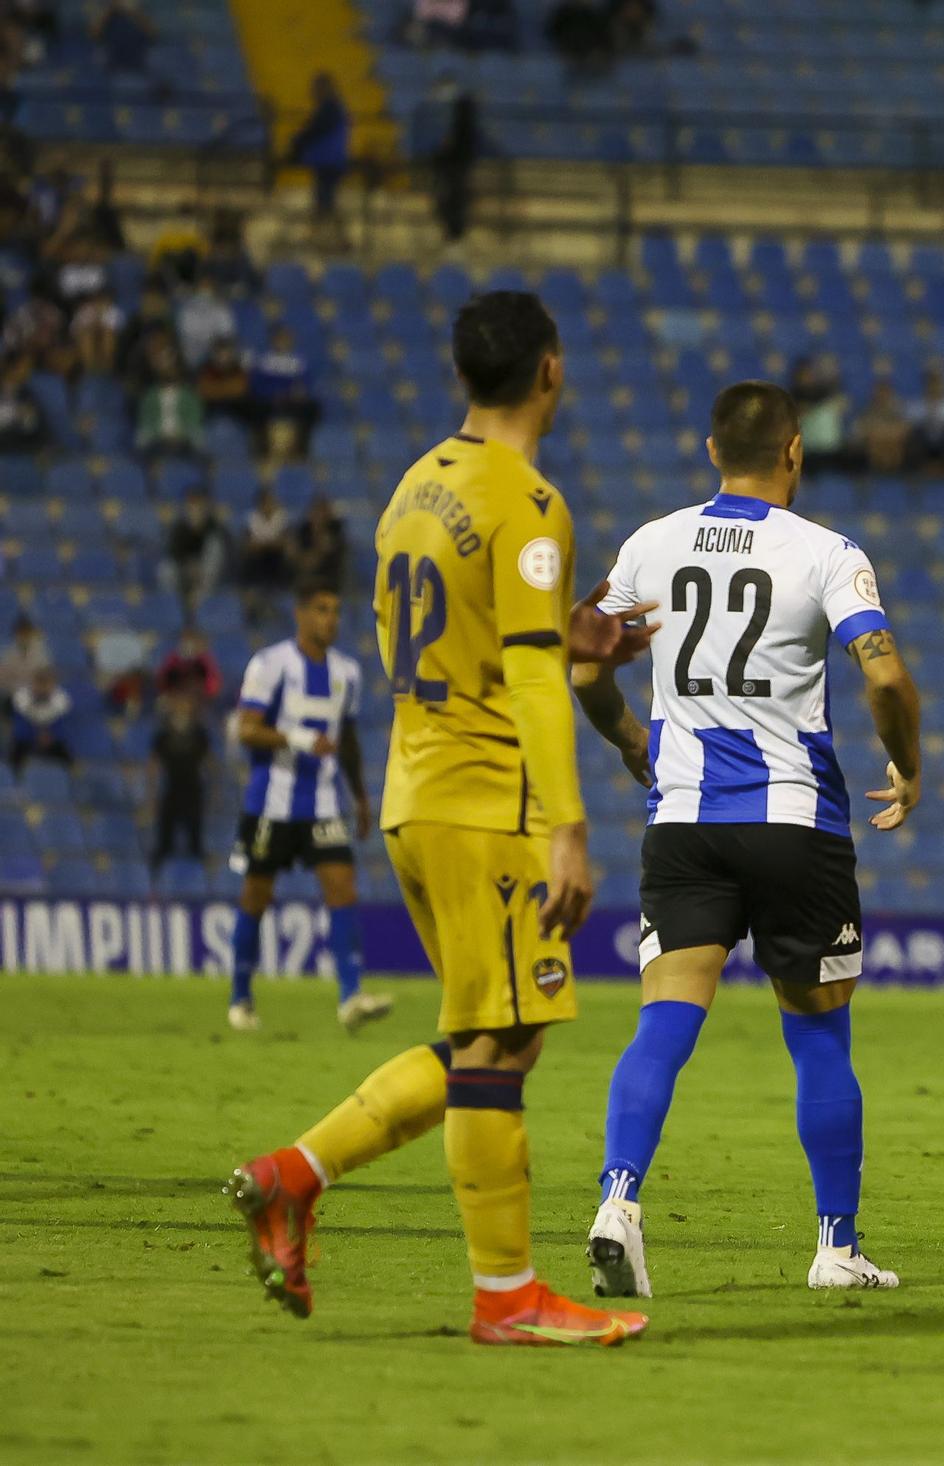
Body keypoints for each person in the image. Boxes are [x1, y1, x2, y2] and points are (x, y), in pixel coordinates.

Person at [226, 291, 657, 1345]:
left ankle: (294, 1174)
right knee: (502, 1048)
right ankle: (507, 1295)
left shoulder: (412, 486)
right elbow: (524, 675)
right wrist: (566, 823)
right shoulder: (529, 500)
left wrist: (564, 638)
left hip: (415, 796)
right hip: (488, 803)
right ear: (549, 372)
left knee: (482, 1035)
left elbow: (455, 634)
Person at [572, 380, 923, 1299]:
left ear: (710, 449)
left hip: (683, 821)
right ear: (796, 452)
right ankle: (837, 1246)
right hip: (792, 824)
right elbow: (883, 674)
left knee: (664, 1021)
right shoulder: (827, 553)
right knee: (819, 1039)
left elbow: (582, 659)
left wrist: (625, 736)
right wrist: (907, 762)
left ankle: (618, 1201)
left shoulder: (651, 545)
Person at [222, 582, 383, 1034]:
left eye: (334, 610)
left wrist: (361, 796)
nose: (329, 619)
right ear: (300, 614)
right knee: (256, 896)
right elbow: (246, 729)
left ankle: (351, 996)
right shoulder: (270, 665)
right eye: (320, 610)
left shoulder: (347, 673)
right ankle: (240, 997)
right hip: (270, 803)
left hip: (326, 802)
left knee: (343, 889)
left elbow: (346, 741)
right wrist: (296, 738)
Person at [148, 688, 211, 874]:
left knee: (196, 841)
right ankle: (156, 882)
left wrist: (215, 793)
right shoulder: (164, 734)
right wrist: (151, 795)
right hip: (172, 790)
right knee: (164, 843)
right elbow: (153, 766)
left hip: (194, 790)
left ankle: (200, 882)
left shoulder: (199, 733)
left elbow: (210, 765)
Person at [289, 74, 351, 235]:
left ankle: (329, 235)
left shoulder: (330, 108)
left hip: (328, 159)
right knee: (325, 199)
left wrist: (296, 144)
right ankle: (329, 235)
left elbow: (313, 131)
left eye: (315, 88)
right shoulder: (334, 107)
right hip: (331, 160)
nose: (312, 92)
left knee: (324, 200)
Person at [249, 325, 320, 458]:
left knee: (312, 408)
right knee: (255, 408)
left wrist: (299, 392)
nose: (283, 343)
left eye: (286, 340)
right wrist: (274, 394)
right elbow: (256, 385)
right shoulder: (264, 361)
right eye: (280, 340)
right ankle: (262, 448)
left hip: (292, 401)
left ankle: (301, 447)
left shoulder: (298, 361)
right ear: (273, 341)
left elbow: (306, 383)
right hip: (269, 400)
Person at [163, 487, 228, 613]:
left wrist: (199, 567)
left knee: (214, 549)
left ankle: (201, 601)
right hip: (185, 568)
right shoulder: (180, 526)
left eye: (198, 504)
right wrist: (187, 565)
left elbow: (220, 555)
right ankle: (173, 605)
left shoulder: (213, 525)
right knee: (165, 569)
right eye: (191, 504)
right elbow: (174, 551)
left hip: (207, 570)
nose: (195, 508)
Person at [431, 78, 479, 244]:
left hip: (456, 167)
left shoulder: (463, 123)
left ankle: (455, 233)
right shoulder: (461, 121)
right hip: (455, 167)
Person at [136, 347, 205, 459]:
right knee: (142, 440)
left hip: (183, 437)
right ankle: (152, 464)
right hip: (158, 437)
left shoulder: (188, 396)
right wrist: (159, 434)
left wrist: (181, 433)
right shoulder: (150, 396)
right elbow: (146, 418)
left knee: (198, 440)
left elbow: (194, 417)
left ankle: (206, 466)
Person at [788, 354, 847, 475]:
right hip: (806, 448)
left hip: (829, 446)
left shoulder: (822, 391)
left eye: (809, 374)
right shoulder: (793, 394)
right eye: (804, 375)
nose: (807, 378)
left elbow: (839, 402)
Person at [9, 664, 72, 774]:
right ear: (33, 683)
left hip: (52, 738)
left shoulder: (61, 699)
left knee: (65, 755)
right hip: (28, 737)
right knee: (16, 752)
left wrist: (50, 735)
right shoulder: (21, 697)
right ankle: (14, 779)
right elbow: (21, 725)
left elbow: (61, 725)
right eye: (39, 683)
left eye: (46, 683)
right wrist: (36, 734)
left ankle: (68, 780)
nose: (42, 687)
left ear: (52, 684)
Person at [238, 488, 292, 609]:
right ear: (259, 504)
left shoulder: (281, 517)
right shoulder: (251, 518)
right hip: (257, 560)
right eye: (265, 502)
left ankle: (278, 596)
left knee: (279, 559)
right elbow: (249, 545)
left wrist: (264, 544)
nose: (268, 505)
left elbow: (285, 542)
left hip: (276, 560)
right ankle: (253, 597)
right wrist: (270, 543)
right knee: (251, 561)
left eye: (271, 502)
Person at [906, 366, 944, 476]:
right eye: (931, 383)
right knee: (913, 434)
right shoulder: (915, 406)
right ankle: (922, 470)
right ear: (926, 385)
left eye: (938, 383)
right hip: (924, 447)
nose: (935, 387)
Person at [156, 625, 222, 707]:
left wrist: (200, 657)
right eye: (185, 642)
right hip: (175, 697)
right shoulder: (173, 658)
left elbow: (213, 687)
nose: (189, 646)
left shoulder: (205, 660)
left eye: (192, 643)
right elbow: (162, 681)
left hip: (199, 701)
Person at [854, 378, 909, 474]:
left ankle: (894, 470)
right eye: (878, 393)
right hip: (874, 450)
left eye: (884, 393)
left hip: (894, 448)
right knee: (872, 441)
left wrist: (882, 432)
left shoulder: (899, 410)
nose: (881, 396)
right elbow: (860, 429)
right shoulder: (867, 411)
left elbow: (905, 429)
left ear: (890, 394)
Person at [292, 493, 348, 585]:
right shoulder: (304, 529)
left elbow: (329, 549)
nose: (318, 516)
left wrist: (319, 535)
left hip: (330, 576)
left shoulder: (335, 528)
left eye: (322, 512)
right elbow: (296, 551)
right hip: (304, 574)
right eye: (315, 511)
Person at [0, 351, 48, 452]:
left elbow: (34, 428)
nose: (28, 372)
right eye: (24, 367)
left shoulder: (27, 394)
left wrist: (28, 419)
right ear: (13, 368)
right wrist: (15, 413)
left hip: (20, 452)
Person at [91, 0, 155, 75]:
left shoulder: (140, 10)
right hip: (112, 62)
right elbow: (94, 36)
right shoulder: (107, 12)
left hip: (138, 60)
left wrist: (135, 12)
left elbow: (153, 36)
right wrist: (110, 10)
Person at [0, 612, 51, 700]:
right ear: (16, 635)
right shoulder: (9, 653)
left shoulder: (41, 651)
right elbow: (3, 679)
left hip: (35, 694)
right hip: (13, 694)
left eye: (27, 633)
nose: (24, 636)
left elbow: (45, 674)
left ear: (31, 634)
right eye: (21, 633)